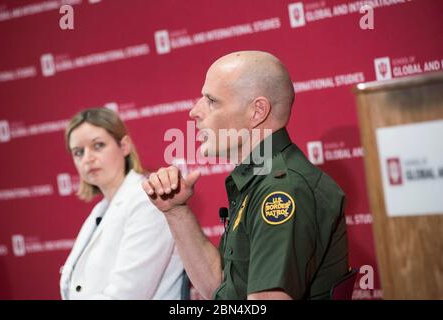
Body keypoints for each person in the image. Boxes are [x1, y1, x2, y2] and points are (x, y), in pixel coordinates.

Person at [142, 51, 349, 300]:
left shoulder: (281, 190)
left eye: (211, 100)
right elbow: (219, 288)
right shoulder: (260, 178)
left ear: (257, 111)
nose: (194, 112)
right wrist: (175, 211)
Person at [60, 108, 183, 300]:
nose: (87, 158)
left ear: (124, 146)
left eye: (98, 145)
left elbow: (127, 295)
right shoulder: (101, 210)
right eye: (78, 152)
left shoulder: (147, 200)